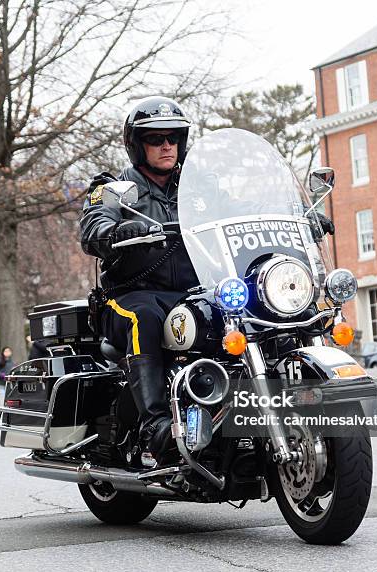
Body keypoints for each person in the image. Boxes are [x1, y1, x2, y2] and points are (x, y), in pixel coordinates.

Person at [80, 96, 335, 464]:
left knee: (254, 308)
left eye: (173, 138)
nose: (166, 145)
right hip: (132, 294)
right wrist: (117, 229)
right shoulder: (115, 187)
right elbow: (94, 225)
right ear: (138, 145)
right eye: (155, 138)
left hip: (196, 291)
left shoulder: (198, 187)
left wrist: (298, 218)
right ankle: (155, 425)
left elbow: (245, 214)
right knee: (145, 318)